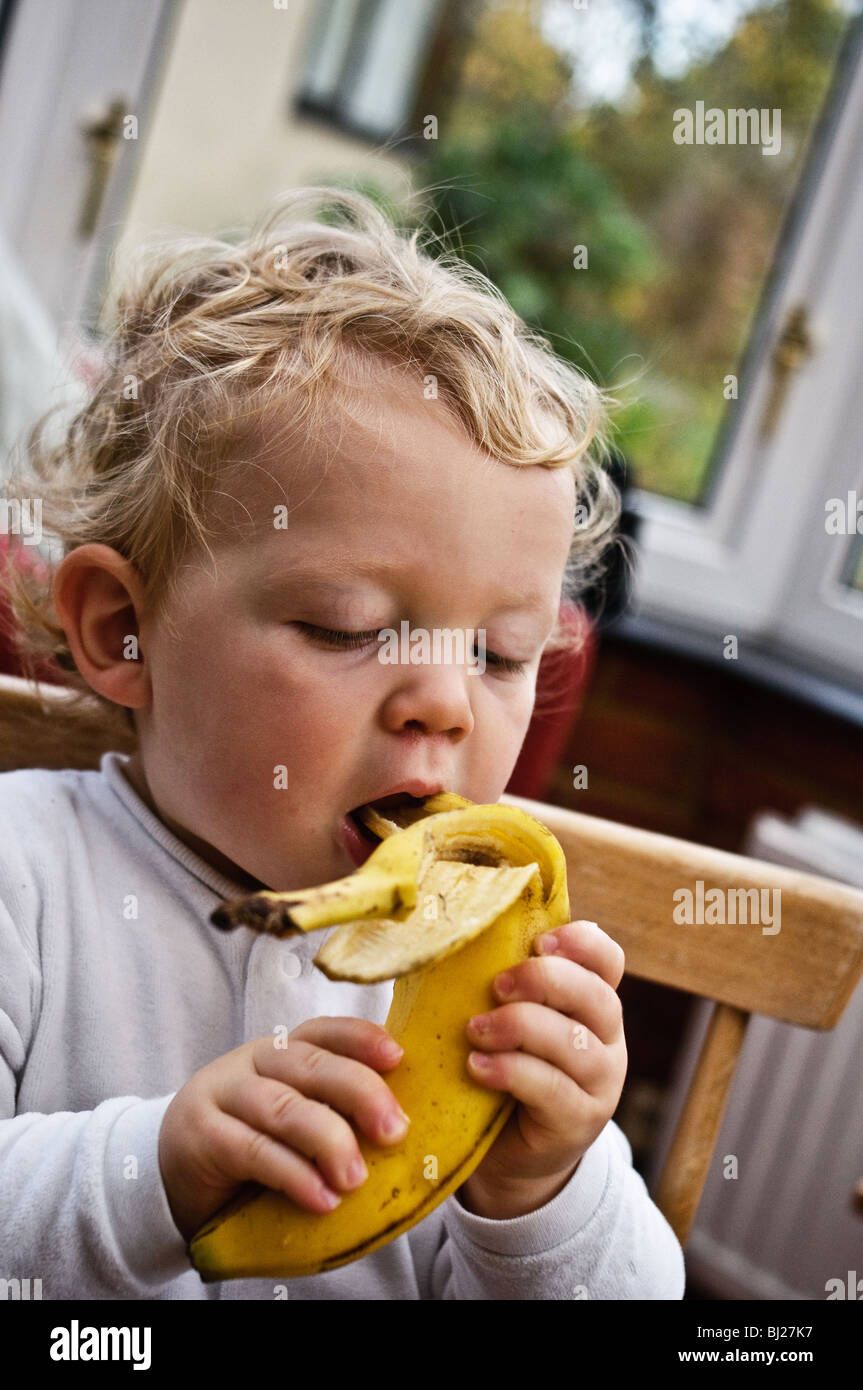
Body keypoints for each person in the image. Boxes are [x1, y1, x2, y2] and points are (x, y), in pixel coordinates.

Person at [0, 186, 685, 1299]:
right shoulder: (24, 876)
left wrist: (543, 1191)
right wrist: (150, 1171)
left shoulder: (485, 977)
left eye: (504, 653)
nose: (447, 704)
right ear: (124, 631)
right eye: (349, 628)